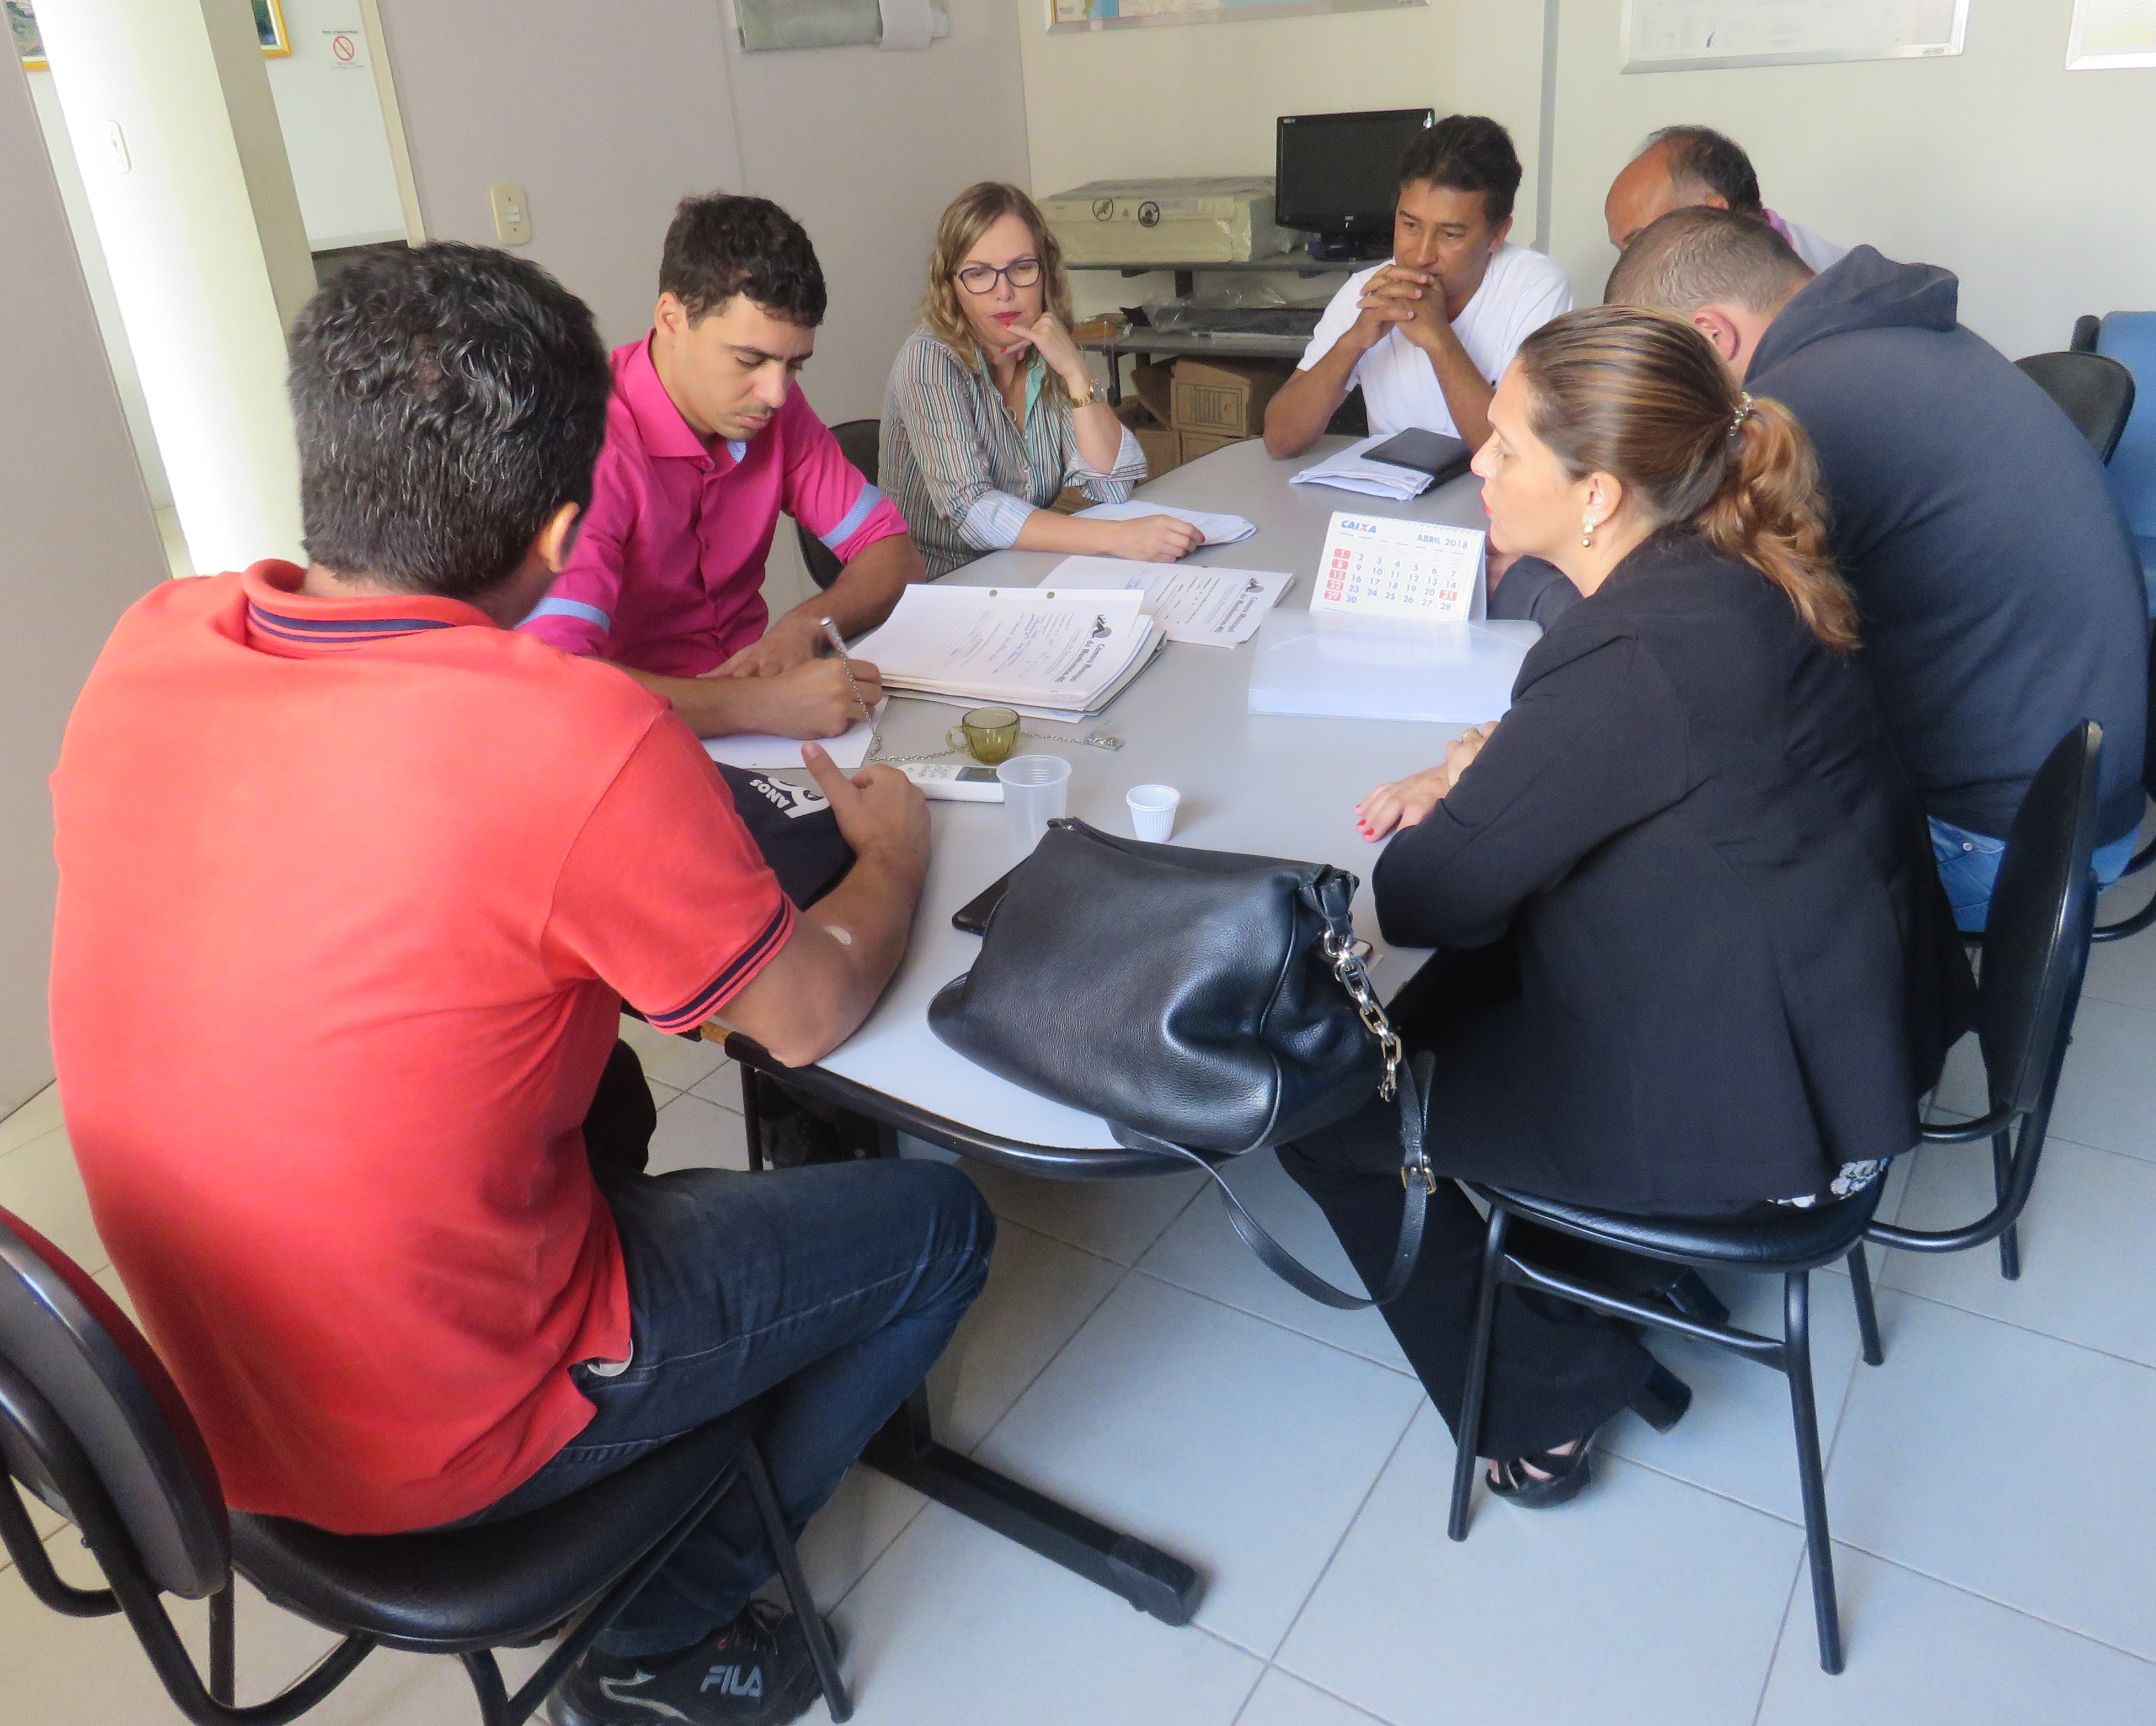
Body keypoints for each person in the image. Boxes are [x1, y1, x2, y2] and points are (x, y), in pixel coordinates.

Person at [49, 243, 994, 1726]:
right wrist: (890, 851)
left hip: (198, 1397)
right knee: (938, 1224)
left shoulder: (153, 642)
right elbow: (808, 1011)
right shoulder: (566, 736)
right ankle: (662, 1633)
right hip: (440, 1431)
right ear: (565, 532)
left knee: (600, 1088)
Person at [1286, 306, 1968, 1510]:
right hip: (1843, 1051)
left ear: (1596, 495)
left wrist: (1471, 790)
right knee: (1466, 988)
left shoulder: (1629, 653)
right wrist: (1505, 770)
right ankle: (1593, 1273)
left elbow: (1421, 896)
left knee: (1323, 1102)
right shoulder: (1735, 568)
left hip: (1771, 1128)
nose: (1478, 460)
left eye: (1505, 445)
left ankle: (1542, 1402)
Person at [1604, 207, 2148, 931]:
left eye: (1666, 371)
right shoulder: (1913, 334)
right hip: (2081, 802)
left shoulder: (1799, 408)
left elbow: (1693, 637)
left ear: (1711, 335)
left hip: (2006, 848)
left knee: (1629, 862)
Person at [519, 194, 928, 741]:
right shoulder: (588, 443)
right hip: (640, 738)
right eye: (748, 360)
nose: (775, 393)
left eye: (794, 366)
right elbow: (560, 681)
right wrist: (758, 704)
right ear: (671, 319)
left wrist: (806, 625)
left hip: (759, 727)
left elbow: (895, 554)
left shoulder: (774, 409)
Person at [881, 181, 1198, 579]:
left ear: (1046, 272)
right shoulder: (929, 360)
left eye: (1022, 268)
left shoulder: (1045, 349)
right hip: (940, 583)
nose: (1005, 292)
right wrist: (1116, 537)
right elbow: (972, 509)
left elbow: (1113, 487)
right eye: (979, 273)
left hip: (1022, 570)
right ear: (951, 286)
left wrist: (1077, 373)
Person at [1263, 114, 1572, 459]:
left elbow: (1517, 454)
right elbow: (1280, 441)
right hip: (1392, 488)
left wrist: (1439, 340)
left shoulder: (1536, 289)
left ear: (1497, 235)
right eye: (1410, 225)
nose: (1422, 256)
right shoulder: (1367, 290)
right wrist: (1354, 341)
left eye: (1450, 234)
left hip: (1492, 491)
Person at [1604, 125, 1846, 271]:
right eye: (1624, 253)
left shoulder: (1844, 289)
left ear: (1714, 215)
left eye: (1640, 242)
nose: (1628, 270)